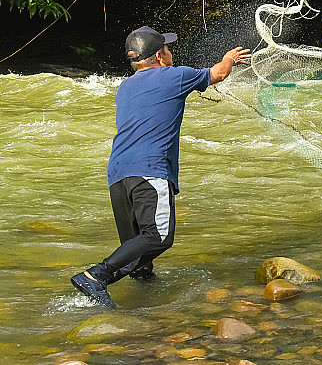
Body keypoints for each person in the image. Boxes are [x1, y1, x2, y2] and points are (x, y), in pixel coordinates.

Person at [71, 26, 251, 307]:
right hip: (149, 170)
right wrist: (229, 58)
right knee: (158, 236)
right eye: (167, 49)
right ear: (159, 56)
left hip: (118, 175)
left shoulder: (125, 87)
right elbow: (218, 74)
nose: (171, 53)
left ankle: (143, 302)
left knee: (135, 255)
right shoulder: (175, 76)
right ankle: (96, 275)